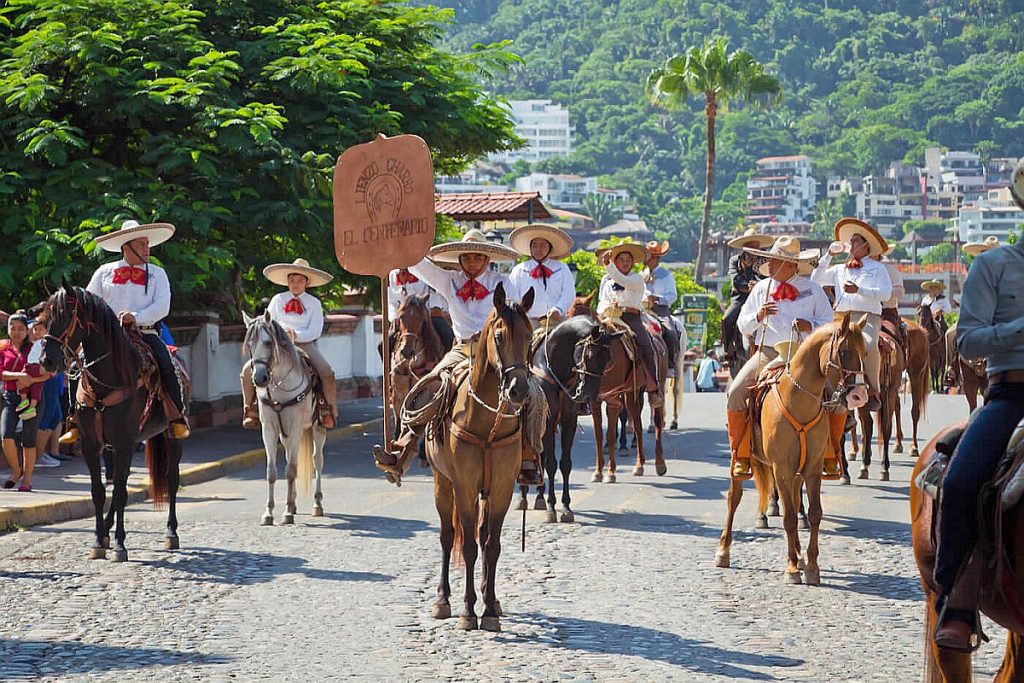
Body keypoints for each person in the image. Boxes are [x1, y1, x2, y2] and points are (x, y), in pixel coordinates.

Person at [371, 230, 543, 486]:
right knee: (428, 385)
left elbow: (513, 318)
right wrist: (398, 240)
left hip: (497, 350)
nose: (472, 262)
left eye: (477, 257)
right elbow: (419, 265)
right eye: (467, 257)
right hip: (461, 350)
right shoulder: (449, 280)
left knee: (535, 393)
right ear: (460, 259)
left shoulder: (503, 282)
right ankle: (403, 451)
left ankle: (529, 455)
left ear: (487, 259)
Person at [932, 228, 1024, 651]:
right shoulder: (994, 265)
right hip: (1012, 393)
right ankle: (959, 603)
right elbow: (968, 341)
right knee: (961, 481)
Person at [62, 219, 189, 442]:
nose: (147, 249)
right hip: (107, 337)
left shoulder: (157, 273)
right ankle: (74, 420)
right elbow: (90, 304)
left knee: (166, 362)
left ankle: (176, 416)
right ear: (125, 247)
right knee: (76, 366)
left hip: (145, 333)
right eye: (141, 245)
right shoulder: (104, 272)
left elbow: (162, 306)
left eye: (147, 244)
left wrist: (136, 317)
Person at [728, 237, 833, 479]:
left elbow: (828, 326)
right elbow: (743, 325)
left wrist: (810, 326)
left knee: (836, 396)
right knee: (735, 392)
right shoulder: (761, 289)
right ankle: (741, 454)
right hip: (769, 352)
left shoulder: (814, 291)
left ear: (791, 265)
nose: (770, 265)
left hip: (805, 357)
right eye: (772, 260)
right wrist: (759, 315)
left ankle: (831, 455)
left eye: (776, 261)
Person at [242, 258, 337, 430]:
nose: (295, 284)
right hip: (278, 345)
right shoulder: (278, 299)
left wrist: (295, 335)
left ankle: (327, 409)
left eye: (300, 280)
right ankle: (251, 409)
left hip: (304, 344)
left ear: (306, 283)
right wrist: (282, 336)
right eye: (292, 280)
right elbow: (266, 323)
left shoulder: (314, 303)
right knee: (247, 370)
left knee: (326, 371)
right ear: (287, 281)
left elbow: (316, 330)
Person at [810, 217, 892, 412]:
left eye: (855, 241)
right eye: (851, 241)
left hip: (867, 317)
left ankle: (872, 390)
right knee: (818, 344)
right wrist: (828, 255)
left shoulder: (878, 268)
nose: (850, 244)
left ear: (865, 245)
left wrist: (860, 290)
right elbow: (816, 279)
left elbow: (886, 294)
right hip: (839, 317)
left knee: (870, 345)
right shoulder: (839, 268)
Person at [597, 241, 663, 408]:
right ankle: (590, 388)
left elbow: (622, 280)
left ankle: (653, 389)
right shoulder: (608, 283)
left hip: (631, 319)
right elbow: (601, 303)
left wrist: (608, 265)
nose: (625, 262)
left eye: (628, 260)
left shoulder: (636, 279)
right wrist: (608, 307)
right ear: (616, 262)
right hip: (610, 318)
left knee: (646, 346)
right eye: (622, 259)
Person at [1, 314, 45, 491]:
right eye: (13, 328)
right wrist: (21, 376)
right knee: (6, 435)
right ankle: (16, 470)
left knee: (29, 439)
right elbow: (1, 373)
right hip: (10, 397)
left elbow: (49, 373)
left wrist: (31, 382)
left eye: (21, 328)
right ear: (8, 330)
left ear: (27, 330)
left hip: (33, 398)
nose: (17, 332)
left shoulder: (36, 348)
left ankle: (27, 480)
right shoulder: (3, 347)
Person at [507, 223, 575, 330]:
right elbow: (511, 295)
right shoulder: (519, 270)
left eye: (543, 246)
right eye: (535, 245)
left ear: (550, 248)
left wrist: (559, 309)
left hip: (556, 321)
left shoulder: (561, 268)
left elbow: (569, 293)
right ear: (530, 248)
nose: (538, 249)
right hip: (527, 322)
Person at [722, 229, 772, 368]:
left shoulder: (765, 261)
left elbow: (768, 277)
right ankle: (728, 353)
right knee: (727, 319)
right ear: (745, 246)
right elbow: (735, 279)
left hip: (760, 297)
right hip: (741, 297)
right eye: (752, 245)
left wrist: (758, 285)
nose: (755, 248)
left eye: (757, 246)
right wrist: (746, 286)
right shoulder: (735, 261)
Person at [386, 267, 454, 352]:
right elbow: (392, 301)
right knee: (383, 346)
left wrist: (434, 309)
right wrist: (394, 317)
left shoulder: (424, 268)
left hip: (429, 313)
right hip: (405, 317)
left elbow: (436, 293)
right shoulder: (393, 274)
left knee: (449, 339)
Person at [26, 320, 61, 468]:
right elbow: (32, 364)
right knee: (46, 416)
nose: (38, 332)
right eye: (35, 329)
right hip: (42, 381)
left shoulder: (48, 344)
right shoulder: (34, 345)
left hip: (51, 378)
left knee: (56, 416)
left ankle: (41, 453)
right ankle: (37, 456)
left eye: (41, 329)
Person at [643, 240, 681, 371]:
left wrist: (657, 298)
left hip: (660, 311)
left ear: (655, 258)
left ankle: (671, 364)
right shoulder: (642, 274)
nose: (645, 260)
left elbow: (672, 296)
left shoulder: (666, 275)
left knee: (670, 332)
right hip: (642, 309)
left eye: (648, 257)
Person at [880, 248, 908, 351]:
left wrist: (884, 295)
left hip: (886, 313)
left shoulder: (890, 269)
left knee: (895, 336)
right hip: (863, 313)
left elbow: (900, 290)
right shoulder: (860, 267)